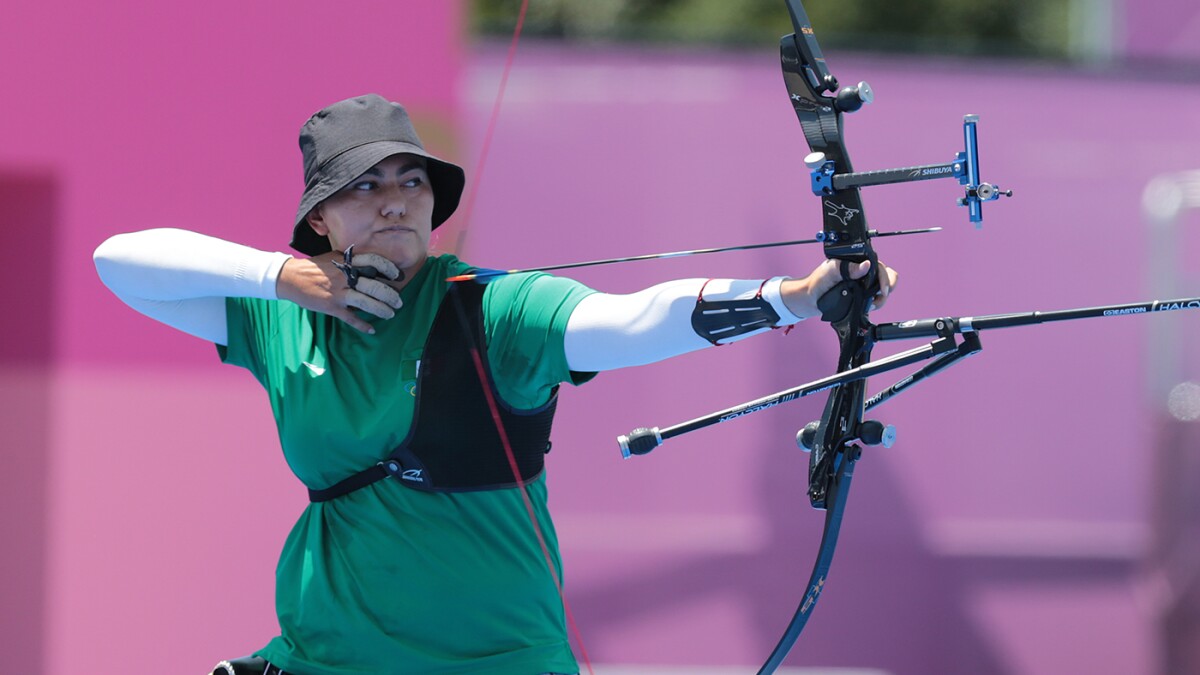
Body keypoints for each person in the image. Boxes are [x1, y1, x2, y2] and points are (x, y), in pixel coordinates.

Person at [93, 94, 897, 675]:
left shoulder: (493, 308)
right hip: (327, 655)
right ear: (320, 221)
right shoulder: (282, 319)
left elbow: (626, 322)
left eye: (411, 181)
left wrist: (785, 300)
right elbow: (120, 262)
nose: (396, 200)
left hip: (497, 661)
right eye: (364, 186)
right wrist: (286, 279)